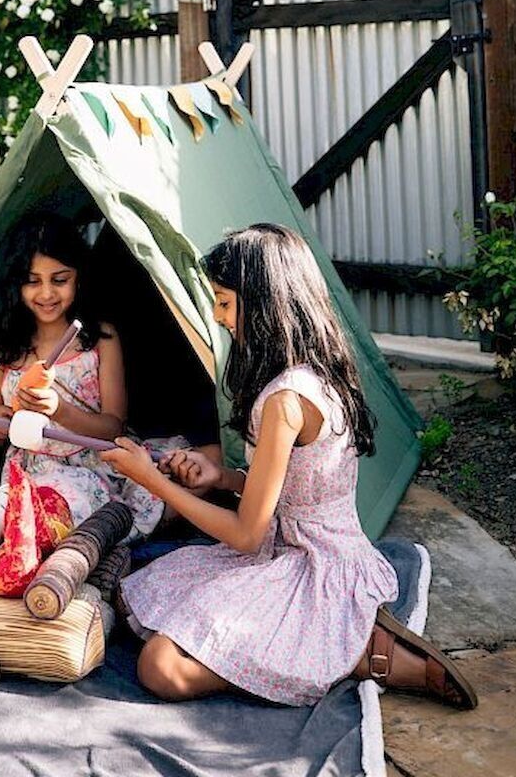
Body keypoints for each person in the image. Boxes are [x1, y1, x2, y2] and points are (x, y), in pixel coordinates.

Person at [101, 223, 478, 708]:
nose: (218, 317)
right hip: (326, 547)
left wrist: (149, 478)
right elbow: (298, 485)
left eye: (224, 302)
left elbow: (245, 534)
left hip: (311, 566)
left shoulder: (284, 400)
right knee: (146, 590)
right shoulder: (319, 371)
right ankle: (330, 641)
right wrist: (223, 477)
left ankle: (353, 653)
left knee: (159, 666)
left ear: (263, 305)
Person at [0, 214, 180, 540]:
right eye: (32, 281)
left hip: (94, 466)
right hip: (33, 472)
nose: (46, 294)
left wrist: (59, 410)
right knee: (31, 519)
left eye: (59, 280)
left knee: (193, 468)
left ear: (79, 279)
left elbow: (113, 426)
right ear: (16, 283)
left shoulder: (100, 341)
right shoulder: (5, 348)